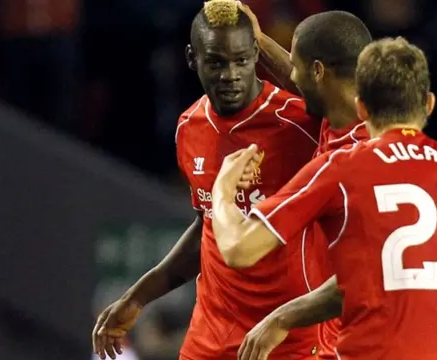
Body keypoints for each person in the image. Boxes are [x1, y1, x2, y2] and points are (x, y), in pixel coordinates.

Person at [210, 37, 437, 360]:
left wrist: (222, 191)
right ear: (429, 104)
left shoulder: (344, 168)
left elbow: (238, 249)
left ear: (361, 108)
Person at [91, 1, 321, 359]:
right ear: (191, 58)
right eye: (216, 62)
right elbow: (208, 225)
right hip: (212, 337)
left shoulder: (301, 125)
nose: (230, 74)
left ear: (256, 55)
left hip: (289, 338)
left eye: (242, 60)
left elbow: (349, 112)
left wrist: (261, 36)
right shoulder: (189, 127)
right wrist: (137, 296)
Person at [236, 5, 372, 359]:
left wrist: (221, 193)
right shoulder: (350, 118)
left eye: (297, 66)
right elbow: (304, 84)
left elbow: (368, 268)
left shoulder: (357, 163)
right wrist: (259, 40)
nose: (290, 77)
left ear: (318, 71)